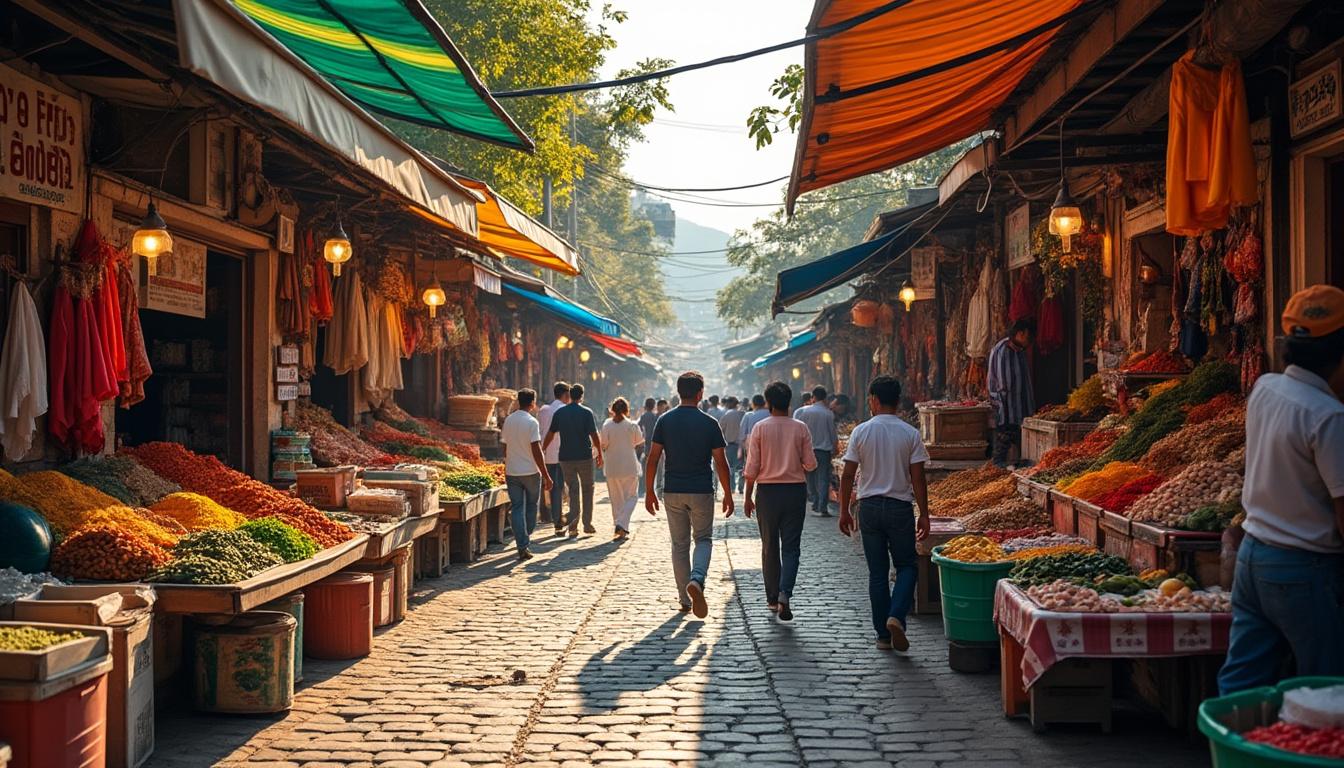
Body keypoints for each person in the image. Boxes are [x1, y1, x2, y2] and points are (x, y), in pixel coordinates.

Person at [1217, 285, 1344, 694]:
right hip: (1304, 568)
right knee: (1324, 689)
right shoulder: (1328, 417)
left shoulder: (1266, 389)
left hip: (1253, 556)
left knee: (1242, 681)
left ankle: (1231, 749)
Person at [838, 376, 931, 652]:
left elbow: (847, 476)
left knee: (877, 573)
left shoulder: (861, 432)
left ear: (874, 400)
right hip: (898, 508)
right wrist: (924, 513)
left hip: (868, 508)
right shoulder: (909, 433)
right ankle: (896, 615)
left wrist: (844, 510)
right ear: (898, 401)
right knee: (906, 566)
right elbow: (918, 478)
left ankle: (882, 635)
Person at [645, 371, 734, 618]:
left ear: (678, 392)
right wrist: (728, 493)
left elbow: (653, 458)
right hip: (701, 490)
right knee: (703, 539)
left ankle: (685, 599)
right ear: (700, 394)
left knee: (679, 544)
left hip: (672, 489)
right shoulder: (710, 423)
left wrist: (649, 490)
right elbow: (721, 462)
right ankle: (697, 579)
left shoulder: (664, 420)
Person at [743, 381, 816, 622]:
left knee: (769, 546)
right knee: (792, 547)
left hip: (767, 493)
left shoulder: (760, 428)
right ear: (789, 402)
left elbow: (752, 467)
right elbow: (811, 464)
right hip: (795, 492)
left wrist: (747, 496)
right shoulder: (800, 427)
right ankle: (786, 592)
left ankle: (773, 598)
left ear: (768, 403)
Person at [542, 383, 603, 537]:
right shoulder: (587, 412)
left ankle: (573, 527)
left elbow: (550, 433)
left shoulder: (560, 413)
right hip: (584, 457)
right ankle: (587, 524)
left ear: (570, 395)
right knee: (588, 489)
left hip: (565, 458)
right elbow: (594, 435)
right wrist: (600, 453)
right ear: (581, 396)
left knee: (573, 490)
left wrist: (543, 448)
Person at [500, 388, 553, 560]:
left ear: (518, 401)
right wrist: (546, 474)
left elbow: (505, 446)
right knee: (531, 506)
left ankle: (522, 542)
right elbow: (537, 450)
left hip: (512, 471)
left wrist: (508, 463)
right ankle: (525, 538)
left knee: (517, 507)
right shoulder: (532, 422)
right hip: (530, 471)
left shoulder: (508, 420)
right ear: (533, 403)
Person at [987, 319, 1036, 468]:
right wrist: (1007, 412)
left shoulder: (1019, 351)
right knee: (1001, 453)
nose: (1030, 340)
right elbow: (1004, 386)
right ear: (1020, 334)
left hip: (1021, 411)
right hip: (1007, 412)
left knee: (1022, 454)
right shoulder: (1003, 350)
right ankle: (998, 473)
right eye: (1028, 335)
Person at [601, 397, 645, 540]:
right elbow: (638, 442)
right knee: (632, 497)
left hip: (612, 467)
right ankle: (621, 524)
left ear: (612, 410)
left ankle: (619, 526)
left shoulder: (607, 425)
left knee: (616, 499)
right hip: (629, 466)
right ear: (627, 410)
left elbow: (604, 444)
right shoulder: (632, 426)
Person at [795, 386, 839, 517]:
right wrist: (835, 447)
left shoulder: (804, 412)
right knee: (823, 478)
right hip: (824, 451)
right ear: (825, 398)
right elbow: (833, 434)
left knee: (810, 476)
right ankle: (822, 506)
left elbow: (799, 432)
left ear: (813, 397)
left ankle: (814, 500)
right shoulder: (828, 413)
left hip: (808, 449)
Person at [537, 382, 570, 532]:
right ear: (566, 395)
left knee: (553, 488)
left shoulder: (544, 410)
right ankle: (562, 518)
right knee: (563, 486)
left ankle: (554, 517)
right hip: (563, 454)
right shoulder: (566, 410)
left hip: (548, 455)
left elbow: (542, 431)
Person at [737, 394, 769, 493]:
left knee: (749, 472)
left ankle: (747, 492)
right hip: (769, 449)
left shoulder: (748, 415)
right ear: (764, 403)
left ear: (753, 404)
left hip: (751, 449)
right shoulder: (770, 414)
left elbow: (742, 435)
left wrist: (742, 449)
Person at [718, 396, 746, 494]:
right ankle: (741, 488)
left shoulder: (727, 415)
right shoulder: (743, 414)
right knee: (742, 467)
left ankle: (732, 488)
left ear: (728, 404)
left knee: (730, 468)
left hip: (730, 445)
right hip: (742, 445)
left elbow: (720, 429)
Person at [654, 399, 670, 493]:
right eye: (662, 407)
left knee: (665, 468)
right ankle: (659, 488)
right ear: (658, 407)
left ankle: (664, 487)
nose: (663, 409)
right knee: (659, 469)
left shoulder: (667, 417)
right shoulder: (655, 417)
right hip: (657, 445)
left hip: (667, 447)